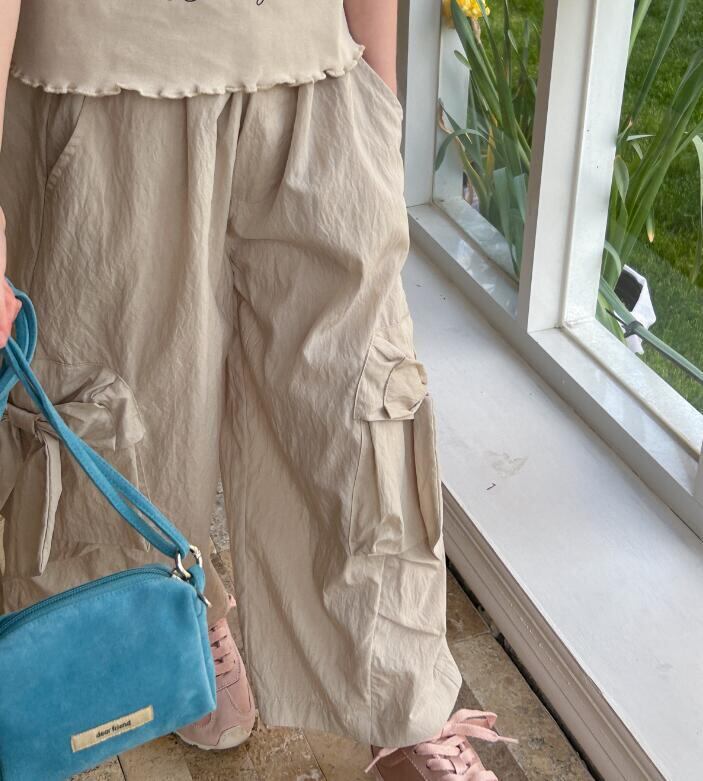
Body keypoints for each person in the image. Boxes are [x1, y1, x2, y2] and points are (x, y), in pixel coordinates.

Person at [0, 1, 514, 777]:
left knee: (359, 406)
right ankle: (181, 614)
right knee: (122, 417)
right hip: (104, 83)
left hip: (315, 75)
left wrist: (378, 87)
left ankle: (402, 703)